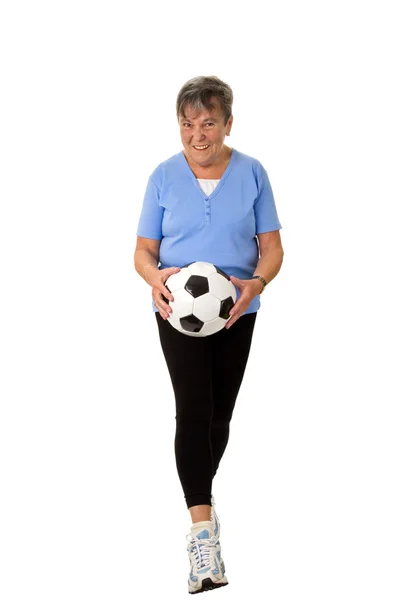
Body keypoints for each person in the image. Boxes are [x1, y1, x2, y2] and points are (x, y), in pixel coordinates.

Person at [134, 75, 284, 594]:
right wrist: (156, 280)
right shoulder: (162, 176)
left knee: (219, 415)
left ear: (227, 124)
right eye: (187, 124)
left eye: (208, 123)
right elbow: (143, 252)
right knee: (194, 408)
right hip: (178, 310)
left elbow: (273, 249)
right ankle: (203, 537)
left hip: (238, 310)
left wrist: (256, 284)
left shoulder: (253, 173)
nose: (198, 134)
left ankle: (201, 496)